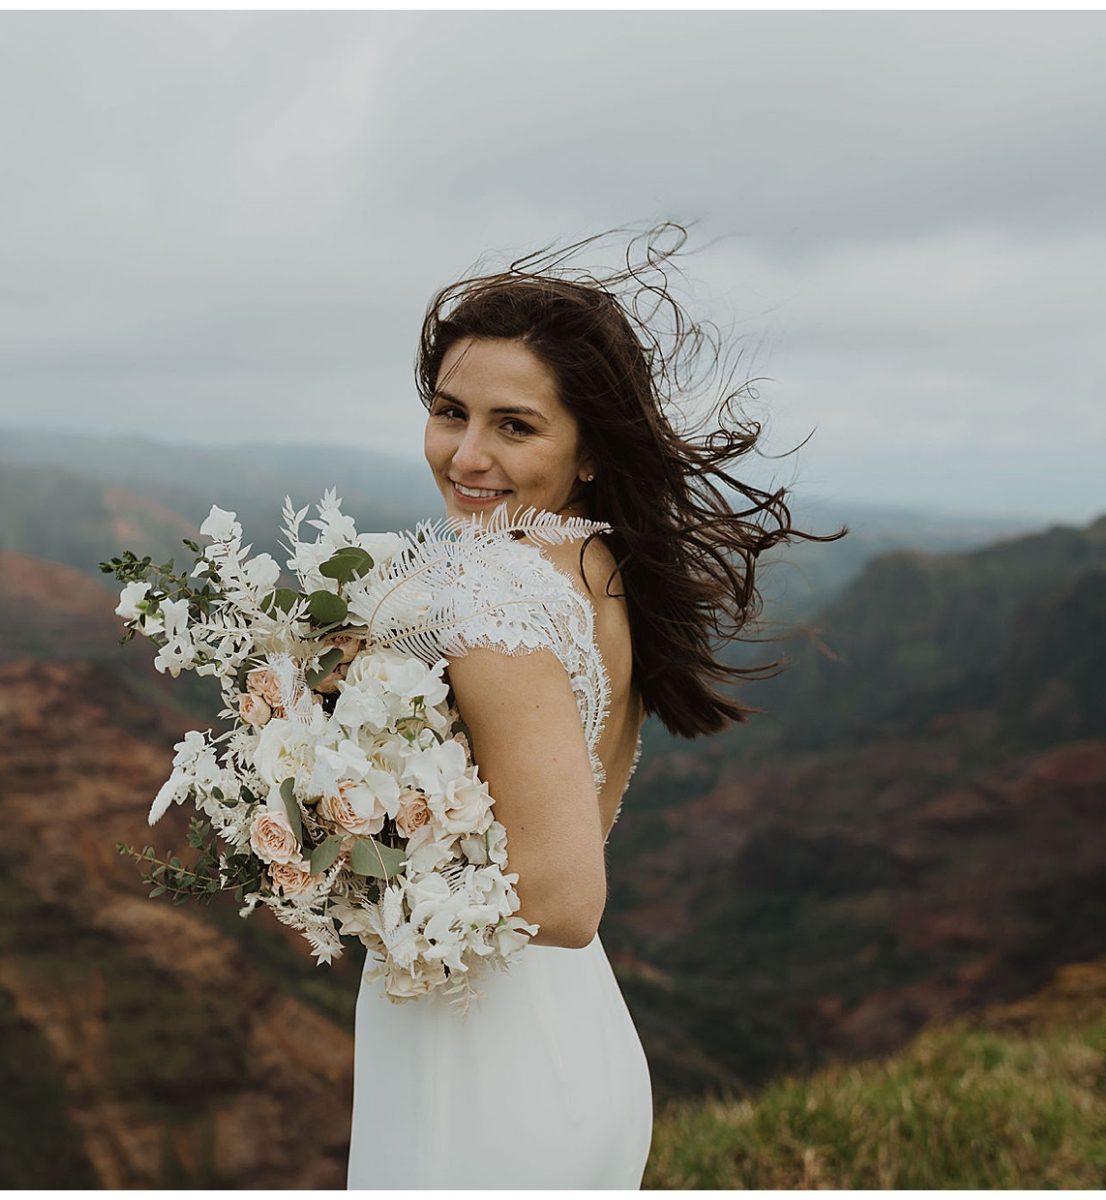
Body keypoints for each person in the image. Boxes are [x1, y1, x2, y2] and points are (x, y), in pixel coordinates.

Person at [344, 223, 848, 1189]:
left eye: (515, 425)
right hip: (566, 1038)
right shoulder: (592, 562)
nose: (468, 455)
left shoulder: (488, 597)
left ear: (587, 453)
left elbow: (567, 902)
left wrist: (338, 862)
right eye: (451, 412)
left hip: (486, 1070)